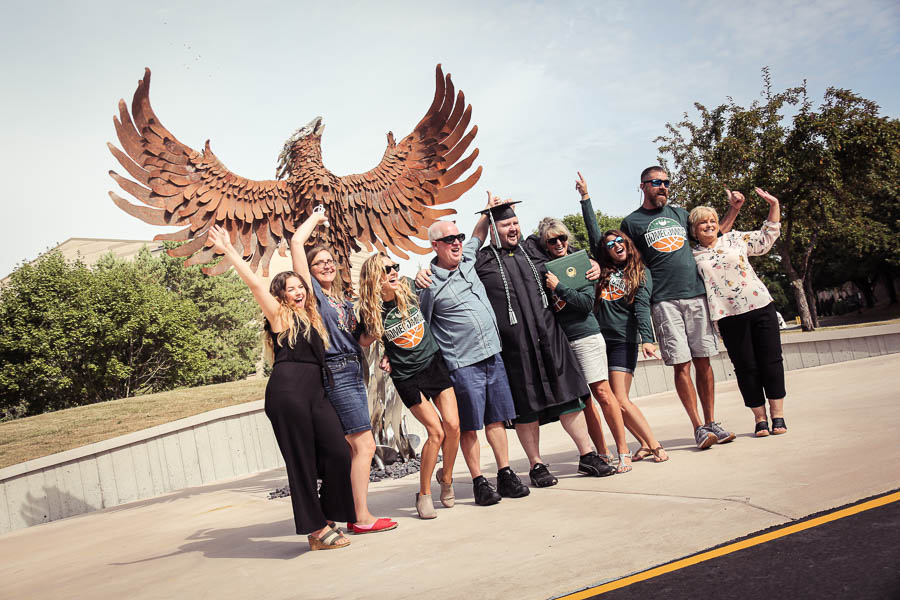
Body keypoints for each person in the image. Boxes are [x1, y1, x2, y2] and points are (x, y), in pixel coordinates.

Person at [207, 221, 355, 551]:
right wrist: (230, 250)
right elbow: (256, 285)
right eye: (290, 288)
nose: (298, 291)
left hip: (316, 393)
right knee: (300, 461)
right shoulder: (280, 316)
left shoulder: (313, 315)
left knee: (339, 452)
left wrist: (315, 220)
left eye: (299, 286)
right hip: (288, 394)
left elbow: (302, 255)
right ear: (282, 296)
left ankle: (327, 514)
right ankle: (316, 530)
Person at [473, 198, 612, 487]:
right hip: (516, 348)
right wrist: (485, 217)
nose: (512, 229)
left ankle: (587, 455)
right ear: (493, 229)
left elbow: (567, 253)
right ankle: (536, 465)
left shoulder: (533, 248)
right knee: (527, 407)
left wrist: (594, 264)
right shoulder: (482, 260)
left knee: (569, 398)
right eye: (504, 224)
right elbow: (462, 257)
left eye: (514, 223)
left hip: (550, 337)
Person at [413, 207, 531, 505]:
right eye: (449, 238)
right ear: (435, 246)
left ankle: (505, 474)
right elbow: (422, 325)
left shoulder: (466, 258)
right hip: (463, 364)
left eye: (458, 236)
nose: (456, 242)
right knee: (470, 426)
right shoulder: (429, 284)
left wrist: (489, 209)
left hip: (493, 355)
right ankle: (479, 480)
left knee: (497, 420)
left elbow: (479, 234)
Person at [620, 166, 741, 449]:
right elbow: (626, 260)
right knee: (682, 364)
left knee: (704, 360)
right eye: (656, 183)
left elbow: (712, 234)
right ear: (643, 186)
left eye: (666, 183)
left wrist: (733, 209)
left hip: (696, 294)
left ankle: (712, 422)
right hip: (663, 301)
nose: (663, 187)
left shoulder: (680, 214)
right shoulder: (632, 223)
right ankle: (698, 427)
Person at [289, 222, 396, 535]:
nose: (326, 265)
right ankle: (361, 517)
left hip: (353, 368)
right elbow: (297, 243)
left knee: (353, 449)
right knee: (365, 445)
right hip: (336, 371)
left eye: (330, 261)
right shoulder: (313, 297)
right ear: (309, 271)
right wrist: (317, 218)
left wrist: (376, 323)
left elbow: (361, 340)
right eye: (318, 262)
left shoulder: (342, 301)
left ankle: (350, 512)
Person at [357, 254, 461, 519]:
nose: (393, 272)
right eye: (386, 269)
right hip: (407, 377)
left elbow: (432, 273)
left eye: (395, 267)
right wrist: (386, 353)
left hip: (433, 364)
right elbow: (362, 342)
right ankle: (423, 494)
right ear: (374, 279)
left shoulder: (409, 287)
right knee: (436, 432)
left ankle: (446, 478)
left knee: (453, 425)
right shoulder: (374, 313)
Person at [576, 172, 668, 462]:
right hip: (597, 340)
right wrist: (585, 198)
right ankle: (643, 443)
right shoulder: (601, 268)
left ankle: (655, 444)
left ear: (628, 244)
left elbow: (642, 307)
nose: (615, 245)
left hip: (622, 341)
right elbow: (594, 232)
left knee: (620, 399)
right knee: (613, 400)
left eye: (620, 241)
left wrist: (647, 339)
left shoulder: (641, 273)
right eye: (610, 243)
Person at [528, 217, 626, 474]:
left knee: (603, 393)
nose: (559, 243)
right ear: (545, 244)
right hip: (562, 341)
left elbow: (585, 303)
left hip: (586, 335)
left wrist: (559, 287)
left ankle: (623, 451)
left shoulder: (579, 263)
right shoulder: (544, 266)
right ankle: (601, 453)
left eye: (562, 238)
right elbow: (527, 244)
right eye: (552, 240)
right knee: (584, 401)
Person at [689, 187, 787, 436]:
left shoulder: (734, 239)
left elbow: (766, 239)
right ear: (694, 230)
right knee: (746, 367)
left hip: (760, 306)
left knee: (771, 361)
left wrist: (773, 204)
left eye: (712, 220)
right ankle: (760, 418)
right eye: (703, 223)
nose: (709, 225)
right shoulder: (692, 256)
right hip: (728, 317)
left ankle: (778, 416)